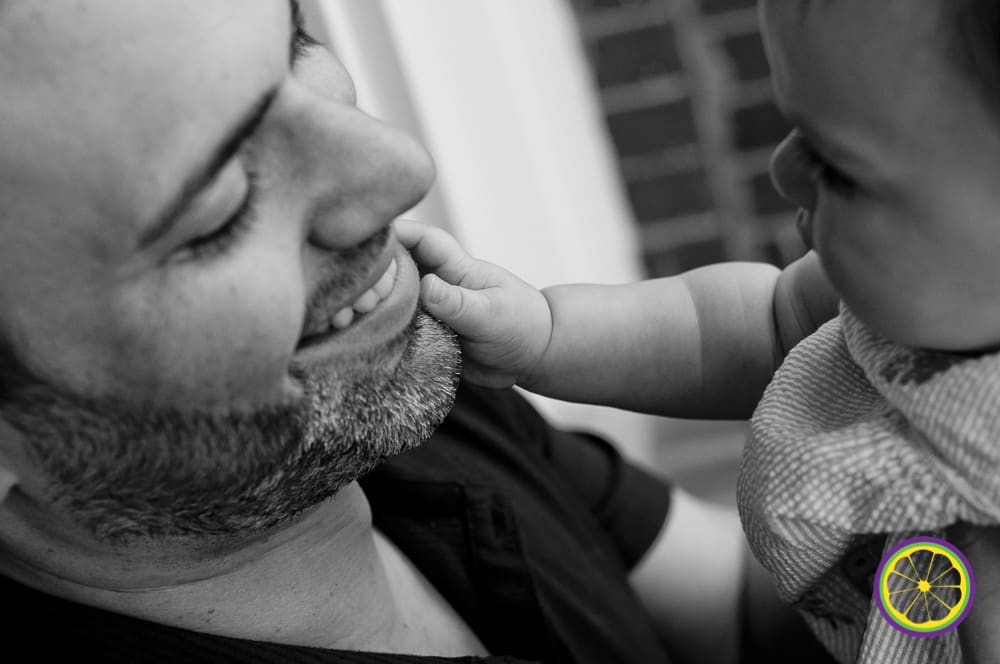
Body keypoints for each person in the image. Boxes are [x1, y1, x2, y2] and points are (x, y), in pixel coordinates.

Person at [0, 1, 834, 663]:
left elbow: (737, 621)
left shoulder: (381, 398)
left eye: (297, 41)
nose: (399, 166)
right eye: (220, 207)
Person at [396, 1, 1000, 662]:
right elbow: (743, 328)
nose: (784, 172)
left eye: (838, 168)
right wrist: (548, 334)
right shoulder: (872, 307)